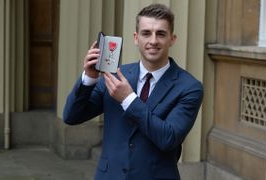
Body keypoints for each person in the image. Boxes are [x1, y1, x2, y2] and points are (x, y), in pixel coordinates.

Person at [63, 3, 203, 180]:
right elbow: (71, 116)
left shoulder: (189, 87)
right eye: (146, 33)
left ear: (172, 39)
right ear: (136, 38)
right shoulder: (114, 75)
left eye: (160, 34)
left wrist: (128, 99)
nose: (153, 41)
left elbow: (169, 138)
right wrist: (89, 78)